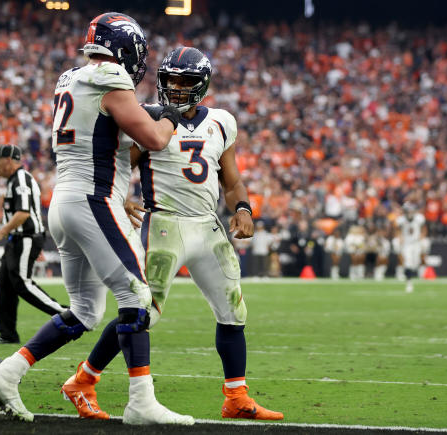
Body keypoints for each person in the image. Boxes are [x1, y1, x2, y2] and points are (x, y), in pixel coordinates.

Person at [0, 13, 192, 425]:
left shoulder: (73, 77)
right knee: (138, 299)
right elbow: (155, 139)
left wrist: (119, 194)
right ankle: (141, 402)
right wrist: (170, 115)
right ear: (126, 49)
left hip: (68, 202)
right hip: (92, 201)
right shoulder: (110, 75)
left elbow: (108, 143)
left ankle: (7, 373)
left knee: (86, 311)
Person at [60, 47, 283, 421]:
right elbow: (117, 167)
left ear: (202, 85)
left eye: (186, 82)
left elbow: (232, 181)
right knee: (142, 311)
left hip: (208, 225)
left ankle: (236, 396)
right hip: (163, 225)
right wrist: (119, 200)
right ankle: (83, 379)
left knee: (233, 312)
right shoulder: (147, 116)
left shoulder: (223, 122)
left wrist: (243, 208)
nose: (177, 89)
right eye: (171, 81)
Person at [0, 145, 67, 344]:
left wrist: (0, 233)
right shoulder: (15, 180)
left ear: (9, 160)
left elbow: (23, 213)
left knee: (22, 282)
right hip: (19, 239)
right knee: (5, 285)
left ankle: (66, 314)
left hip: (26, 237)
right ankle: (8, 333)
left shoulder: (21, 179)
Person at [395, 202, 427, 292]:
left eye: (411, 211)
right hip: (407, 244)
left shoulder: (419, 218)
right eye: (408, 211)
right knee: (408, 262)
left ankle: (416, 275)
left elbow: (424, 228)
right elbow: (397, 229)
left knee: (415, 263)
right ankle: (409, 283)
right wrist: (399, 237)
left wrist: (422, 236)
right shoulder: (401, 220)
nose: (410, 213)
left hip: (416, 243)